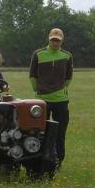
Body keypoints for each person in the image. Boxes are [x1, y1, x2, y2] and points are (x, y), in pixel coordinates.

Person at [29, 28, 73, 171]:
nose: (55, 43)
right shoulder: (38, 54)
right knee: (41, 132)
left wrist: (61, 90)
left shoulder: (67, 56)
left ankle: (58, 162)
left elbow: (68, 78)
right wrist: (39, 91)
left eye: (58, 41)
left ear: (62, 41)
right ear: (49, 39)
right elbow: (33, 76)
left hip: (61, 101)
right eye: (53, 40)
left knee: (60, 134)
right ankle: (40, 161)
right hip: (42, 101)